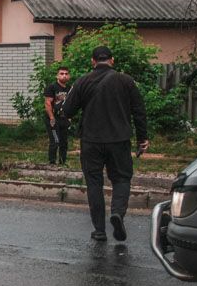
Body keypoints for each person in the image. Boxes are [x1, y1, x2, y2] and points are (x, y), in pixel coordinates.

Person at [61, 46, 148, 242]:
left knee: (94, 183)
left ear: (93, 61)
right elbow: (139, 111)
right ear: (112, 60)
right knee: (122, 179)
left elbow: (67, 110)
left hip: (91, 141)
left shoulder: (82, 81)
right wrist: (142, 138)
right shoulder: (126, 81)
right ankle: (117, 213)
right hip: (119, 140)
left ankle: (99, 230)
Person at [43, 67, 71, 166]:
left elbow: (70, 104)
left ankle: (62, 163)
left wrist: (69, 117)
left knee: (64, 142)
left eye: (66, 74)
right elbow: (47, 103)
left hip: (64, 119)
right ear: (57, 76)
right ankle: (52, 163)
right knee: (55, 141)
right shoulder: (52, 87)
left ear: (69, 76)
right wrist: (52, 118)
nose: (64, 76)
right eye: (61, 73)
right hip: (53, 119)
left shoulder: (70, 89)